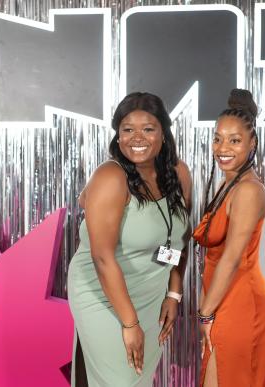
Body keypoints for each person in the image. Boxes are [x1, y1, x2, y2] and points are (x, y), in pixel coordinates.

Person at [68, 92, 192, 386]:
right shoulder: (111, 176)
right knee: (121, 379)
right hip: (103, 294)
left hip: (150, 291)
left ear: (164, 133)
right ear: (118, 135)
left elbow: (180, 237)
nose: (138, 137)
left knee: (138, 378)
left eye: (148, 128)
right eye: (127, 129)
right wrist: (130, 322)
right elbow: (102, 257)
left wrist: (173, 293)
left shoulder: (178, 172)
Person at [193, 89, 265, 387]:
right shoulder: (229, 183)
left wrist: (205, 314)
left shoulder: (248, 191)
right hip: (222, 298)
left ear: (252, 142)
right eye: (218, 138)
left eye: (234, 140)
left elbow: (230, 260)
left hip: (242, 302)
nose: (222, 147)